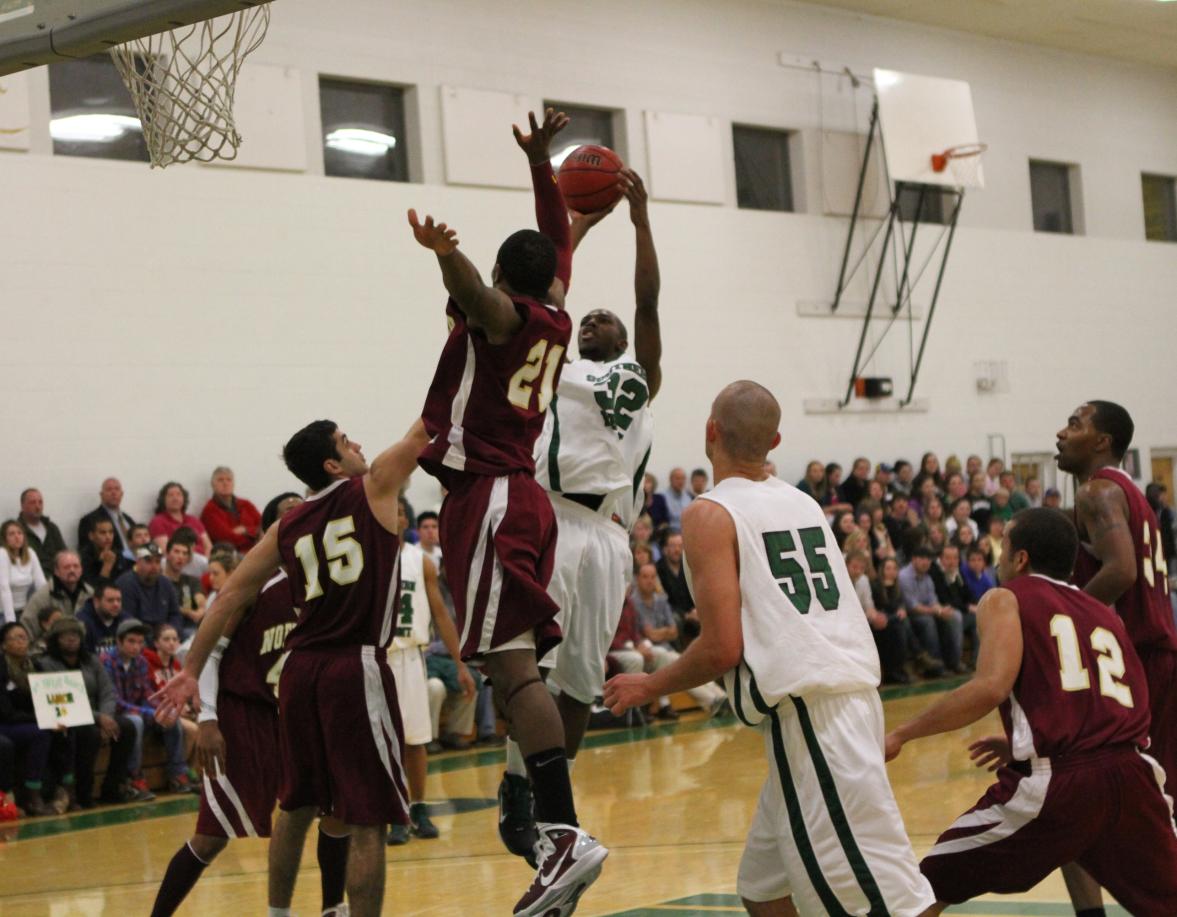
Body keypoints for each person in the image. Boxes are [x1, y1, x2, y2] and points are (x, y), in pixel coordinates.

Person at [604, 381, 936, 916]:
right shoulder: (802, 501)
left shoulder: (709, 514)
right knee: (763, 888)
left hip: (812, 717)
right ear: (776, 441)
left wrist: (651, 684)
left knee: (885, 903)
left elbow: (720, 648)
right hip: (843, 702)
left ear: (710, 431)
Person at [406, 107, 607, 915]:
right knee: (512, 665)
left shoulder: (507, 314)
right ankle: (560, 835)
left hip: (488, 496)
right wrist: (540, 164)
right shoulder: (555, 308)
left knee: (511, 669)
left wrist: (446, 256)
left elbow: (479, 297)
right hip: (516, 496)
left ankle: (559, 832)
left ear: (499, 275)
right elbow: (556, 243)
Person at [152, 417, 428, 917]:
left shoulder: (287, 525)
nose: (358, 444)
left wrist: (190, 668)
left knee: (295, 808)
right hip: (354, 663)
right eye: (347, 441)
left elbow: (229, 595)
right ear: (332, 464)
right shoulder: (373, 487)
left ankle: (281, 914)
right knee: (368, 818)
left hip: (299, 673)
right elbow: (424, 430)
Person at [884, 508, 1177, 914]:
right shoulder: (1104, 614)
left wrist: (903, 733)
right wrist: (1026, 737)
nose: (998, 558)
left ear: (1020, 558)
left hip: (1062, 784)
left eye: (1003, 547)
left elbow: (990, 686)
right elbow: (1110, 699)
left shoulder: (1005, 597)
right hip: (1134, 775)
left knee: (924, 888)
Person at [500, 167, 663, 860]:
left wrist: (641, 221)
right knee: (531, 662)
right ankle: (515, 788)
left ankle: (549, 807)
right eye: (587, 314)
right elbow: (552, 278)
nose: (594, 318)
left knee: (579, 683)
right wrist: (582, 222)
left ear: (624, 339)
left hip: (608, 537)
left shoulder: (641, 377)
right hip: (555, 519)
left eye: (607, 318)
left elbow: (648, 300)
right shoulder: (558, 352)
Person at [150, 492, 352, 917]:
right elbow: (208, 653)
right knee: (212, 835)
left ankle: (333, 907)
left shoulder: (325, 585)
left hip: (299, 716)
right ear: (269, 533)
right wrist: (206, 720)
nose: (301, 517)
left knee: (333, 810)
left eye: (305, 510)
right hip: (245, 714)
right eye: (288, 513)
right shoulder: (253, 585)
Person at [1054, 400, 1177, 917]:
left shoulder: (1098, 491)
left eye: (1075, 425)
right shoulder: (1125, 494)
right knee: (1078, 795)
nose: (1061, 433)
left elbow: (1122, 570)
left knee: (1082, 793)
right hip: (1147, 662)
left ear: (1102, 441)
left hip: (1136, 668)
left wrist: (1060, 613)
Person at [387, 497, 474, 846]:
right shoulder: (365, 559)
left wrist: (460, 662)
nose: (391, 515)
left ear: (403, 518)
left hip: (410, 655)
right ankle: (393, 811)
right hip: (377, 657)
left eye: (396, 510)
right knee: (386, 742)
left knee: (416, 739)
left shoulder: (420, 561)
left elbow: (440, 614)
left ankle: (418, 807)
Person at [38, 617, 145, 806]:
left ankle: (112, 788)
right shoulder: (46, 664)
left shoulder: (91, 661)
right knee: (90, 734)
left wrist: (107, 717)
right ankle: (84, 792)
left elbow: (108, 691)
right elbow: (63, 698)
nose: (72, 639)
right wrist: (99, 717)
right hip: (68, 716)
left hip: (99, 713)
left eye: (75, 635)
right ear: (56, 639)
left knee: (127, 727)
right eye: (65, 636)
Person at [103, 619, 193, 795]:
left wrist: (163, 710)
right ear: (119, 641)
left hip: (138, 711)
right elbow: (114, 700)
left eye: (139, 642)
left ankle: (178, 775)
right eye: (131, 641)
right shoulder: (107, 661)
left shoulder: (141, 662)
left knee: (171, 719)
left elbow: (147, 694)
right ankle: (134, 777)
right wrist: (148, 712)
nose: (136, 647)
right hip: (116, 713)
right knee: (136, 722)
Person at [630, 563, 724, 717]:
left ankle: (719, 697)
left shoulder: (661, 600)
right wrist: (662, 633)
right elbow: (646, 636)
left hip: (666, 650)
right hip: (649, 654)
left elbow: (673, 632)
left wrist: (657, 633)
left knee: (685, 663)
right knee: (680, 665)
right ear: (637, 579)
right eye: (645, 577)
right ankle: (713, 700)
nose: (649, 581)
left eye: (653, 577)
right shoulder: (633, 603)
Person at [0, 622, 58, 815]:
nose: (22, 642)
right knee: (40, 734)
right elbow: (6, 712)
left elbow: (48, 699)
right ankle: (32, 796)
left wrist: (56, 717)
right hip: (6, 723)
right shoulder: (2, 668)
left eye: (24, 637)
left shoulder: (36, 667)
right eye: (16, 638)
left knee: (66, 730)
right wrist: (42, 720)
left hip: (28, 720)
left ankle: (67, 790)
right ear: (3, 645)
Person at [900, 547, 966, 674]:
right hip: (909, 615)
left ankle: (955, 662)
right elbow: (913, 607)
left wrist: (942, 610)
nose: (926, 562)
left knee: (955, 615)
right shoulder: (904, 577)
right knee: (928, 621)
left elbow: (933, 601)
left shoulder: (927, 577)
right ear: (913, 560)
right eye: (922, 559)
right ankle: (936, 667)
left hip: (927, 611)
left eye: (928, 559)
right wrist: (937, 611)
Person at [20, 550, 91, 641]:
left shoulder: (90, 594)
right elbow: (27, 629)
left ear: (81, 570)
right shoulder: (42, 597)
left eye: (76, 566)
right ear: (57, 571)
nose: (72, 570)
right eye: (67, 567)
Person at [116, 544, 182, 641]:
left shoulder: (165, 583)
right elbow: (126, 618)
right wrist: (154, 635)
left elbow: (175, 614)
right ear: (138, 562)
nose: (154, 566)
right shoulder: (126, 584)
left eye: (157, 562)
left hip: (164, 637)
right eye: (148, 561)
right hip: (139, 636)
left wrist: (171, 629)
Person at [200, 466, 263, 552]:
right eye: (220, 480)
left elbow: (264, 526)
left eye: (229, 479)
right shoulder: (209, 510)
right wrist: (255, 535)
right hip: (229, 556)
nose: (225, 483)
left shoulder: (246, 504)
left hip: (256, 551)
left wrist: (246, 530)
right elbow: (228, 540)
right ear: (213, 485)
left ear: (233, 484)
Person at [78, 478, 137, 562]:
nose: (113, 493)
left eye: (117, 489)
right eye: (109, 489)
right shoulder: (89, 520)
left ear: (122, 494)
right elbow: (87, 552)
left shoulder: (128, 519)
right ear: (101, 495)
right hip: (113, 565)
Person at [0, 519, 46, 625]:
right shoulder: (2, 554)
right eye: (11, 534)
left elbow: (41, 585)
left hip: (24, 611)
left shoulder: (30, 553)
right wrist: (11, 622)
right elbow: (4, 588)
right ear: (4, 538)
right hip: (4, 613)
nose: (17, 537)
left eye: (19, 533)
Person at [162, 532, 206, 640]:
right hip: (168, 628)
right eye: (176, 552)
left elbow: (200, 600)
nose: (181, 557)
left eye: (185, 553)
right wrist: (188, 612)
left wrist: (200, 611)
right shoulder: (160, 581)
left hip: (191, 627)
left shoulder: (191, 580)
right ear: (167, 554)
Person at [149, 483, 213, 557]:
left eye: (179, 495)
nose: (175, 498)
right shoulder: (158, 522)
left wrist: (205, 563)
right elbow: (165, 551)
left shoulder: (194, 520)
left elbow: (208, 546)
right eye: (170, 495)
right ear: (163, 500)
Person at [16, 489, 67, 575]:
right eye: (33, 502)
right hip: (28, 578)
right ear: (22, 506)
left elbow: (63, 553)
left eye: (40, 502)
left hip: (55, 576)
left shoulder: (51, 528)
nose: (37, 506)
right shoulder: (15, 530)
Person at [78, 581, 131, 655]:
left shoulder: (127, 621)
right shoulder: (82, 623)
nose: (116, 604)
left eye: (119, 600)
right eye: (110, 600)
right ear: (96, 601)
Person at [82, 517, 133, 588]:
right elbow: (96, 590)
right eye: (103, 533)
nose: (108, 537)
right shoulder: (85, 558)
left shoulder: (118, 553)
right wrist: (106, 566)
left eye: (111, 532)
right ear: (91, 536)